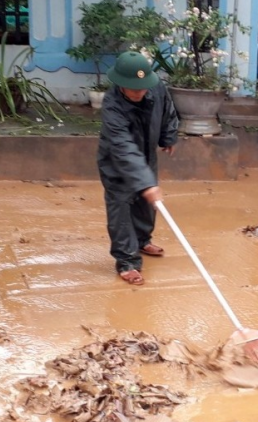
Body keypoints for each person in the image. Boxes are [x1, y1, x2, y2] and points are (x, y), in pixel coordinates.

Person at [98, 51, 179, 285]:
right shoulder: (112, 105)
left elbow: (167, 110)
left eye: (143, 87)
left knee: (147, 204)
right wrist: (146, 183)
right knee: (121, 207)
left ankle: (142, 240)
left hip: (146, 153)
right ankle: (127, 261)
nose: (140, 92)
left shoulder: (154, 87)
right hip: (117, 160)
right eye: (134, 89)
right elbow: (122, 146)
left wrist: (169, 136)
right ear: (121, 84)